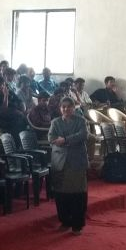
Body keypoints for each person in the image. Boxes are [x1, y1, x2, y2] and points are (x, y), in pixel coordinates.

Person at [49, 98, 89, 234]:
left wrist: (65, 139)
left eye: (69, 106)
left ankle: (77, 225)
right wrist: (71, 140)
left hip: (77, 161)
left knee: (78, 194)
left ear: (73, 107)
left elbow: (83, 135)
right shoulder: (55, 122)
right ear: (60, 108)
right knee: (61, 194)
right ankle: (65, 221)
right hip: (60, 161)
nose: (66, 109)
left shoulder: (80, 121)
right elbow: (51, 138)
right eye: (63, 107)